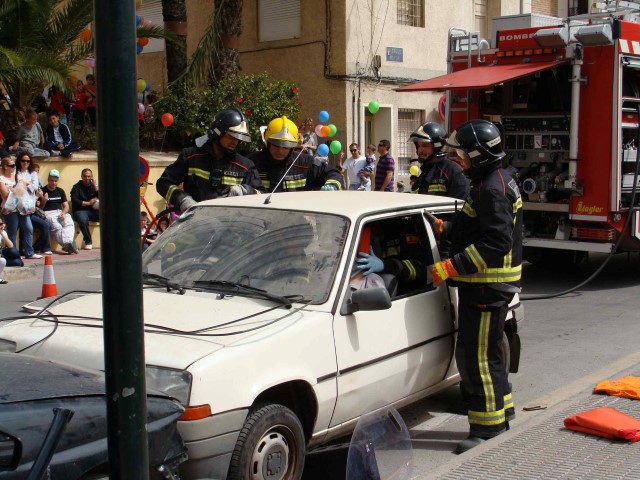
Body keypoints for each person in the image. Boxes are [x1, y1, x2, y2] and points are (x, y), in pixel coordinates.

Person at [428, 119, 523, 454]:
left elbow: (495, 242)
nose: (460, 161)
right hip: (487, 287)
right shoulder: (493, 179)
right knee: (491, 353)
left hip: (486, 288)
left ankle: (486, 428)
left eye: (465, 155)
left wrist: (451, 266)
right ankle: (502, 409)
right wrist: (446, 228)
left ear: (480, 155)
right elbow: (476, 226)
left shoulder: (492, 188)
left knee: (475, 357)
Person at [156, 108, 264, 211]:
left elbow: (263, 195)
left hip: (229, 225)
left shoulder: (245, 166)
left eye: (238, 138)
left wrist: (245, 190)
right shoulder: (190, 157)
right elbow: (163, 184)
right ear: (217, 132)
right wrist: (183, 200)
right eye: (230, 136)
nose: (235, 142)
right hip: (195, 223)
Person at [249, 116, 344, 192]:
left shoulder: (305, 163)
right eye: (276, 145)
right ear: (267, 143)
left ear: (293, 146)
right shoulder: (252, 163)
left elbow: (333, 172)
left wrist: (333, 184)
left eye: (286, 146)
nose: (280, 151)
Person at [408, 121, 469, 200]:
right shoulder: (425, 172)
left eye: (425, 146)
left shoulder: (453, 172)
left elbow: (460, 205)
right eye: (418, 146)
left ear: (438, 147)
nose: (420, 150)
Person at [0, 157, 41, 259]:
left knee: (28, 228)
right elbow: (5, 194)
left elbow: (25, 188)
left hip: (22, 207)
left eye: (14, 165)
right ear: (5, 167)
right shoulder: (1, 179)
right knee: (12, 231)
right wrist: (19, 188)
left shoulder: (16, 176)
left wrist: (17, 188)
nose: (14, 167)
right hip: (10, 208)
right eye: (12, 165)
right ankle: (13, 254)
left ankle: (29, 252)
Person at [16, 153, 50, 256]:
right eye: (23, 160)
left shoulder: (32, 173)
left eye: (28, 161)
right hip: (15, 205)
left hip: (28, 206)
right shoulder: (15, 172)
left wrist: (25, 184)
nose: (25, 163)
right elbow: (15, 186)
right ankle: (15, 252)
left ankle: (29, 252)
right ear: (19, 161)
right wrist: (25, 184)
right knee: (14, 230)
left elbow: (35, 186)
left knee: (28, 228)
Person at [41, 169, 79, 254]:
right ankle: (70, 244)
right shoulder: (42, 191)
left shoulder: (60, 191)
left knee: (69, 222)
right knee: (57, 227)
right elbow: (40, 209)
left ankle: (68, 244)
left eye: (55, 181)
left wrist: (64, 213)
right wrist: (44, 200)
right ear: (48, 180)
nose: (53, 183)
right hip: (48, 213)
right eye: (51, 180)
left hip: (60, 212)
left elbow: (66, 206)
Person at [70, 168, 99, 250]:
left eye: (89, 176)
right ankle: (88, 242)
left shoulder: (94, 186)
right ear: (81, 177)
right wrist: (89, 203)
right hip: (80, 211)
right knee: (83, 219)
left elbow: (102, 198)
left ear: (92, 177)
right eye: (85, 176)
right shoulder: (76, 187)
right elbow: (75, 201)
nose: (87, 178)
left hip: (93, 211)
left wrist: (95, 186)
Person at [1, 214, 23, 279]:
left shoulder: (3, 232)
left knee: (13, 250)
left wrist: (1, 233)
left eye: (2, 223)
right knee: (18, 262)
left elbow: (10, 245)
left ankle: (19, 258)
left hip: (1, 253)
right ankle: (19, 259)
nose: (1, 226)